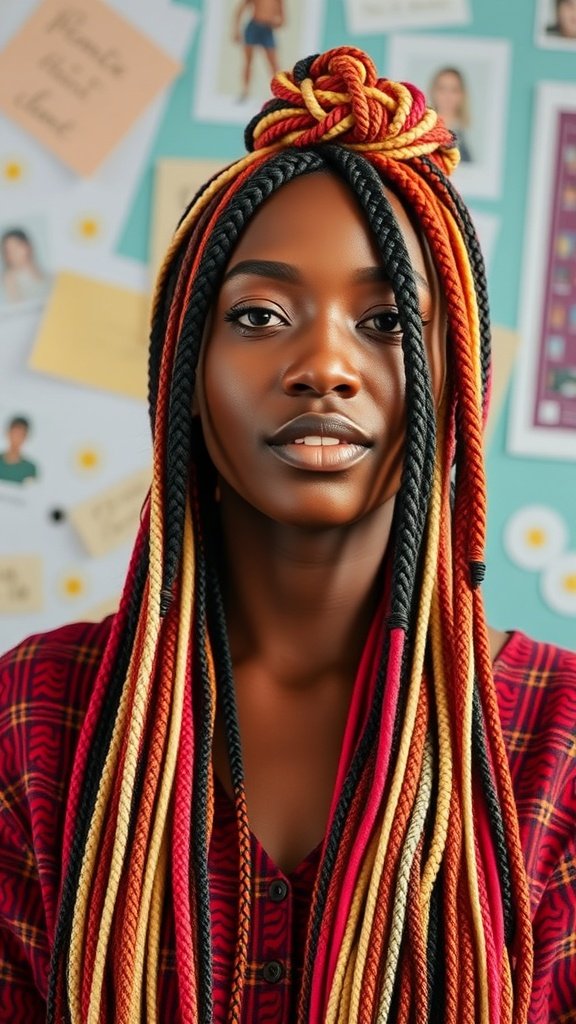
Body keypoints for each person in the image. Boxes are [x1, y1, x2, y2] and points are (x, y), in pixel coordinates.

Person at [0, 46, 574, 1024]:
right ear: (184, 365)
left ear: (460, 372)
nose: (324, 366)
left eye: (388, 319)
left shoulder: (555, 743)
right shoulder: (36, 722)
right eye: (260, 313)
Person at [232, 0, 284, 101]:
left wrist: (276, 22)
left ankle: (280, 92)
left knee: (274, 65)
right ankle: (245, 91)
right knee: (248, 62)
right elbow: (240, 10)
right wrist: (236, 30)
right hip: (253, 27)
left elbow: (282, 18)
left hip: (267, 29)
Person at [429, 66, 473, 163]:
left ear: (462, 95)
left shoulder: (469, 132)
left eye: (454, 90)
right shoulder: (422, 129)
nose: (447, 96)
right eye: (442, 89)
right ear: (433, 92)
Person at [0, 227, 50, 305]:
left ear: (27, 246)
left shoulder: (47, 274)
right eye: (9, 250)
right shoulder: (10, 278)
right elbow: (17, 308)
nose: (14, 253)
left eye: (17, 247)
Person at [0, 414, 38, 485]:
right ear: (8, 433)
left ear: (25, 436)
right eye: (14, 433)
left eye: (20, 434)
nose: (16, 438)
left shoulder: (29, 469)